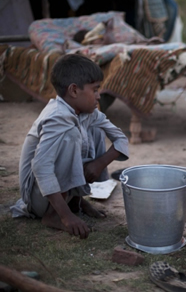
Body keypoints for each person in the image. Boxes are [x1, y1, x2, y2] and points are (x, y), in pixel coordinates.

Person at [12, 54, 129, 239]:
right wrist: (66, 217)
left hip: (57, 191)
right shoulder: (57, 117)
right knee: (72, 135)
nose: (99, 96)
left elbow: (121, 139)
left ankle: (76, 200)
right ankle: (55, 214)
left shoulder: (87, 112)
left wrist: (99, 164)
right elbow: (41, 167)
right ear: (74, 90)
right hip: (39, 199)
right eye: (95, 89)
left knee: (96, 129)